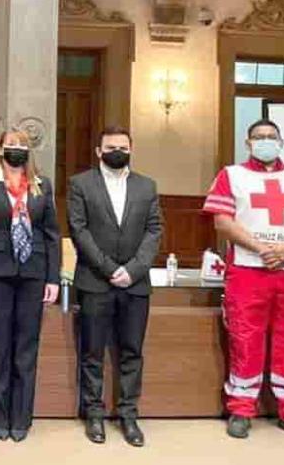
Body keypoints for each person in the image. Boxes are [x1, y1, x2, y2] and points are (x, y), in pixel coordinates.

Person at [203, 119, 284, 440]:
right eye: (259, 137)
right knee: (245, 338)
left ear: (281, 142)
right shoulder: (231, 175)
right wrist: (263, 249)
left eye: (271, 136)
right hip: (248, 270)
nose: (265, 141)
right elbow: (222, 222)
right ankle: (241, 408)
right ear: (248, 143)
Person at [67, 126, 162, 447]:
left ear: (131, 149)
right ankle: (93, 414)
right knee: (92, 352)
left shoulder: (147, 186)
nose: (117, 152)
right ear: (98, 151)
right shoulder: (81, 184)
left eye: (122, 147)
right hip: (95, 281)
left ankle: (128, 415)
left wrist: (132, 270)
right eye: (110, 147)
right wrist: (109, 269)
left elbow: (154, 231)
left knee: (132, 352)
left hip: (135, 284)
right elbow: (79, 230)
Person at [0, 128, 60, 443]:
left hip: (33, 273)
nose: (17, 149)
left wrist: (53, 277)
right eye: (11, 144)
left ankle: (21, 418)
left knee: (26, 347)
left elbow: (51, 233)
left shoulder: (41, 184)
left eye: (22, 145)